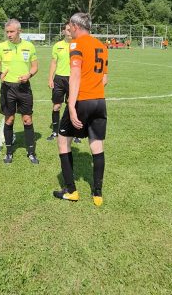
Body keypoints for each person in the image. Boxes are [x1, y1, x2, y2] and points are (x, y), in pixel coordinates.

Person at [53, 12, 108, 207]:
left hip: (81, 100)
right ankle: (97, 194)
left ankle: (71, 191)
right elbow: (104, 79)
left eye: (70, 27)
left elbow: (75, 75)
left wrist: (71, 105)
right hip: (100, 101)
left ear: (75, 27)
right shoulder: (101, 46)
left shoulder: (76, 45)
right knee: (97, 145)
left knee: (62, 142)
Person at [0, 18, 39, 164]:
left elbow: (35, 67)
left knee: (27, 119)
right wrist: (0, 75)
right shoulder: (1, 47)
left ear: (20, 31)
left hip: (24, 87)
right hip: (7, 88)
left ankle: (31, 153)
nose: (9, 34)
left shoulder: (29, 46)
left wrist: (29, 75)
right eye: (7, 32)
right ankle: (9, 152)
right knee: (9, 119)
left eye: (12, 31)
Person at [47, 23, 80, 143]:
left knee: (73, 106)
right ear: (63, 31)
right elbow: (54, 63)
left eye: (72, 29)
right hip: (59, 79)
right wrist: (50, 78)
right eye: (67, 29)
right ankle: (55, 131)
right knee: (56, 106)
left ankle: (75, 133)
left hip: (74, 79)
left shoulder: (78, 45)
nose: (70, 31)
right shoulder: (57, 46)